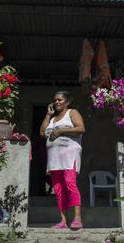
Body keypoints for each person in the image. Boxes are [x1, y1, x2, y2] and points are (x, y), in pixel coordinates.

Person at [39, 91, 85, 230]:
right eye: (55, 100)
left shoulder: (72, 112)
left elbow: (81, 129)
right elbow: (42, 133)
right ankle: (63, 221)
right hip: (54, 157)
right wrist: (48, 115)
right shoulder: (52, 119)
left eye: (60, 100)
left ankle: (77, 219)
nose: (57, 102)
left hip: (69, 155)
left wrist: (61, 131)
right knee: (58, 189)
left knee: (70, 183)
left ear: (67, 102)